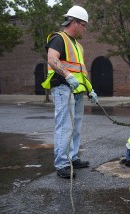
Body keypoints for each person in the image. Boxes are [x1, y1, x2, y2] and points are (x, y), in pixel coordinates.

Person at [41, 5, 98, 179]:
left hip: (77, 91)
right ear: (74, 22)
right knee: (65, 126)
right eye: (84, 25)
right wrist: (67, 75)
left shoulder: (78, 46)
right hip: (63, 87)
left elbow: (81, 71)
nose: (85, 29)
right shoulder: (59, 38)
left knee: (76, 127)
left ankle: (72, 157)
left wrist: (90, 89)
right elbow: (52, 59)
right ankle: (62, 163)